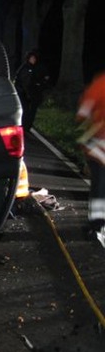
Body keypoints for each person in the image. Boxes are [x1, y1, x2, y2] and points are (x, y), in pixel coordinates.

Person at [76, 71, 105, 246]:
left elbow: (83, 113)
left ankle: (96, 225)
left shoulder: (99, 84)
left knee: (100, 188)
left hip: (98, 147)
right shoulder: (100, 85)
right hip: (99, 147)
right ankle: (97, 224)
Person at [14, 49, 51, 132]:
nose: (33, 60)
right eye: (31, 58)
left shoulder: (39, 68)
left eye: (34, 58)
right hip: (24, 94)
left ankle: (28, 127)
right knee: (25, 111)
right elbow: (20, 81)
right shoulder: (24, 68)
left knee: (32, 112)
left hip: (34, 94)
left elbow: (44, 79)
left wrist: (40, 85)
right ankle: (23, 127)